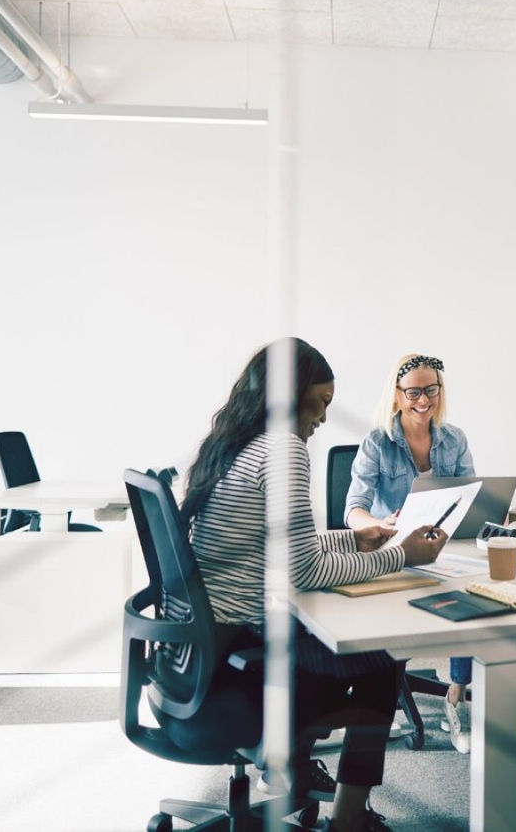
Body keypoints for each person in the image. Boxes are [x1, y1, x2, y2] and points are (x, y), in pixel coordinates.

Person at [180, 338, 448, 832]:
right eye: (321, 402)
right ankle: (348, 818)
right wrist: (401, 556)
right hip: (241, 658)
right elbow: (304, 571)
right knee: (384, 658)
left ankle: (295, 773)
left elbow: (285, 545)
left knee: (335, 640)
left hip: (199, 654)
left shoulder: (237, 443)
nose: (323, 417)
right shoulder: (284, 450)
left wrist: (355, 539)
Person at [345, 353, 476, 753]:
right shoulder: (377, 442)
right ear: (398, 396)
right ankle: (379, 695)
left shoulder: (454, 439)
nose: (424, 400)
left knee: (473, 595)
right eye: (414, 392)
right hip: (394, 552)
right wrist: (379, 524)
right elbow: (352, 509)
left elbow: (470, 496)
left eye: (431, 390)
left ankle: (456, 694)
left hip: (442, 548)